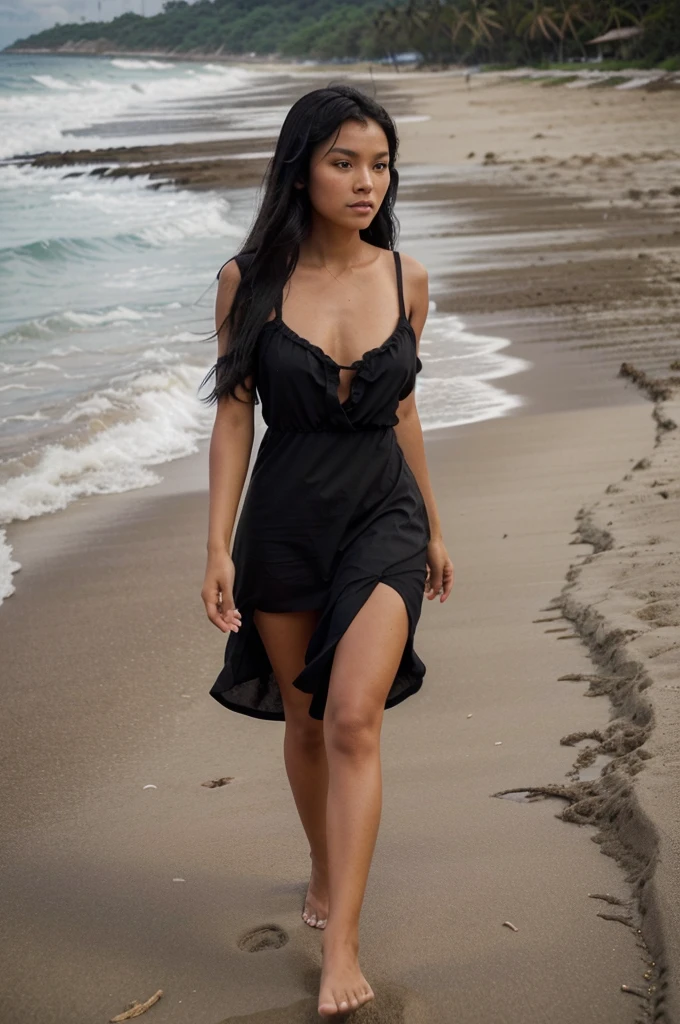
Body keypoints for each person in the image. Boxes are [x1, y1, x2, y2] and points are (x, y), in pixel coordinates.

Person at [200, 83, 454, 1018]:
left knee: (354, 716)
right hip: (285, 519)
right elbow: (233, 421)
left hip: (379, 512)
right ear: (302, 168)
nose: (366, 182)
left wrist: (431, 522)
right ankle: (322, 856)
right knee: (305, 722)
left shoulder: (407, 278)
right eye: (343, 161)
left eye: (379, 164)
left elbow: (405, 409)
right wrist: (217, 544)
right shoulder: (247, 282)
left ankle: (342, 938)